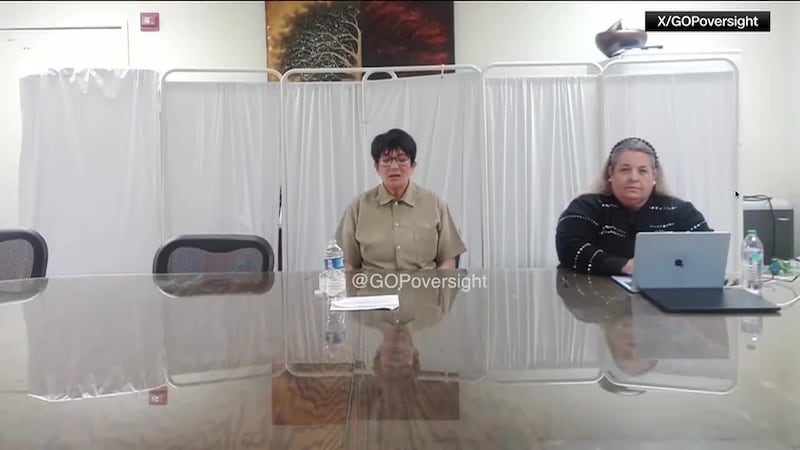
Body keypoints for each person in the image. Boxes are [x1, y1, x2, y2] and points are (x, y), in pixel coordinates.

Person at [556, 137, 712, 276]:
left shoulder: (681, 212)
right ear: (611, 173)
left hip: (665, 293)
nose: (633, 178)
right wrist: (623, 266)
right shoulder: (586, 207)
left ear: (654, 176)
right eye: (625, 170)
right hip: (593, 293)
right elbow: (569, 248)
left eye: (642, 171)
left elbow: (709, 251)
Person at [336, 128, 466, 271]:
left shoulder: (434, 204)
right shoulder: (358, 207)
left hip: (424, 284)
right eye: (386, 161)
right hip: (373, 284)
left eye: (402, 160)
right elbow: (347, 264)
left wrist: (437, 285)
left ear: (413, 166)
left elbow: (448, 260)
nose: (394, 166)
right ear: (376, 167)